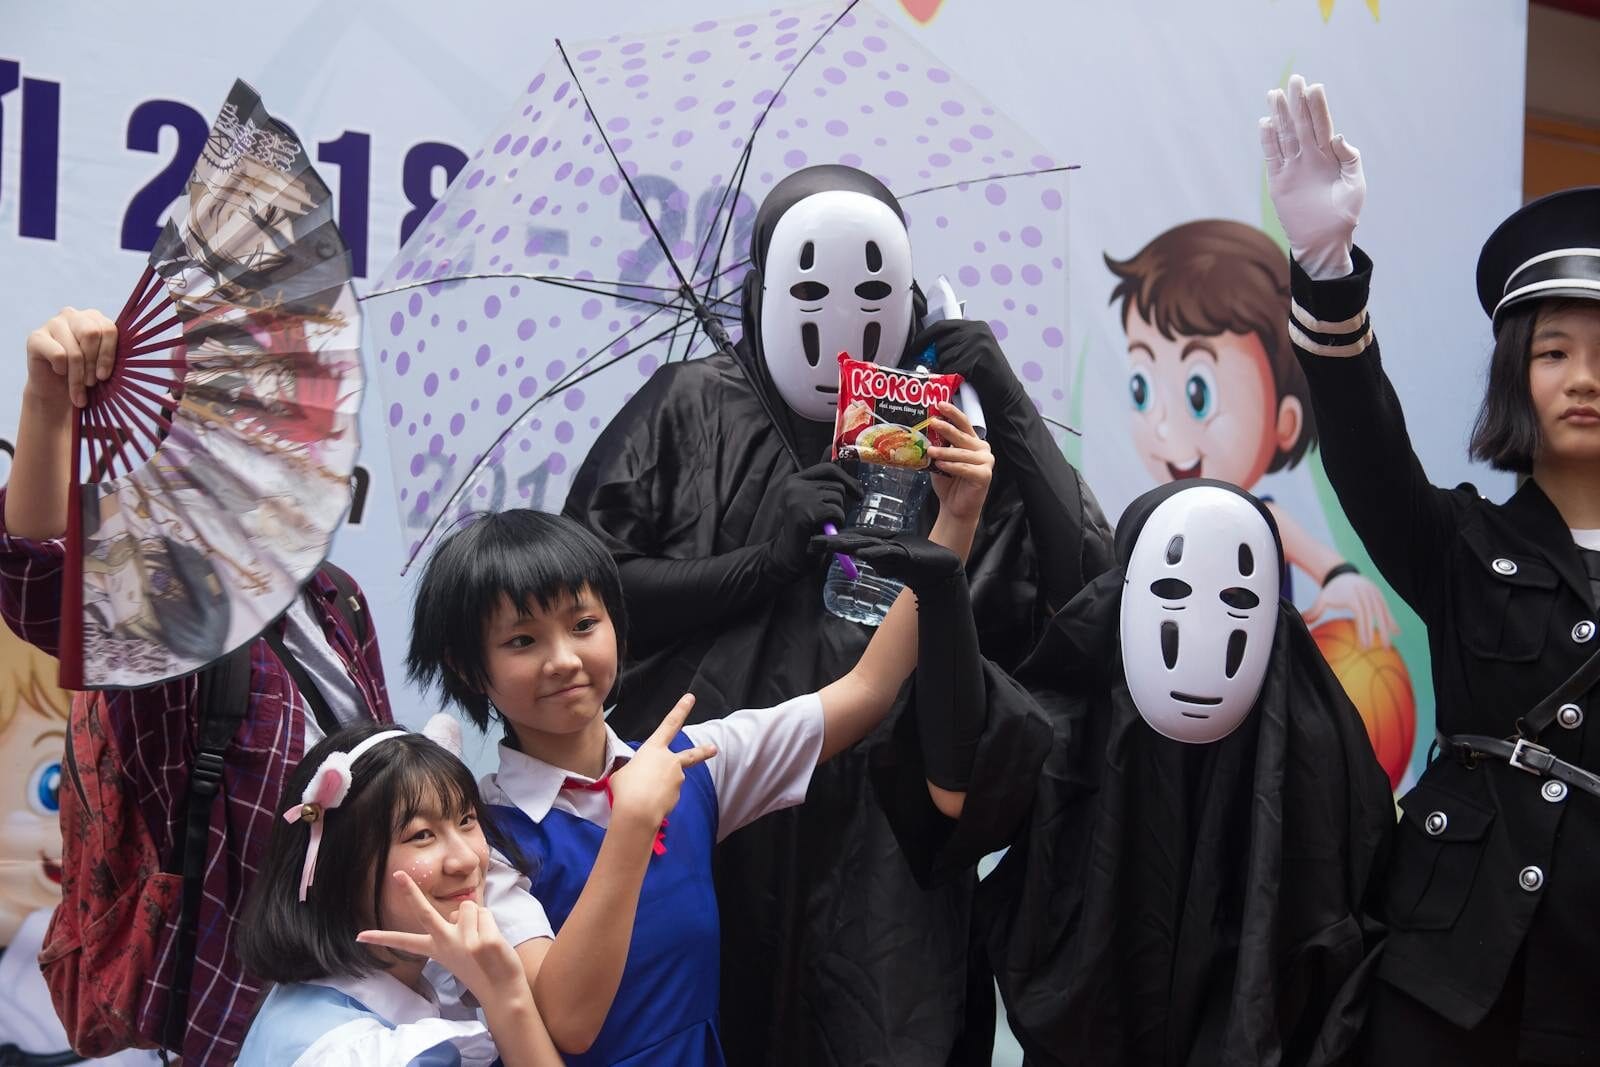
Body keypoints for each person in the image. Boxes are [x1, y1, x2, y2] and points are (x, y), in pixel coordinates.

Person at [563, 163, 1111, 1065]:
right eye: (809, 288)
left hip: (884, 864)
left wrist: (1007, 409)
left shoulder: (944, 441)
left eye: (870, 289)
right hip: (712, 819)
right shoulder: (688, 406)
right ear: (760, 292)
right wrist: (758, 564)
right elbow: (588, 605)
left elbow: (1086, 598)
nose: (840, 317)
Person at [0, 307, 544, 1064]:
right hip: (219, 1001)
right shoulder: (174, 603)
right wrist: (46, 403)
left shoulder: (338, 598)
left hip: (353, 988)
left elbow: (369, 795)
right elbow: (38, 578)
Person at [409, 400, 993, 1065]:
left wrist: (956, 520)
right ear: (468, 667)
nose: (564, 659)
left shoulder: (693, 763)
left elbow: (867, 689)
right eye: (522, 640)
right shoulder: (485, 838)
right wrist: (631, 824)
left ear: (616, 624)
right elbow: (566, 1021)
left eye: (582, 623)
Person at [1262, 73, 1600, 1063]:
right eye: (1552, 353)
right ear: (1513, 379)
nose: (1583, 376)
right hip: (1443, 977)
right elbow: (1365, 448)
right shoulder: (1461, 543)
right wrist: (1324, 267)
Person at [872, 479, 1394, 1066]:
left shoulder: (1313, 746)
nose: (1203, 625)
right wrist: (943, 600)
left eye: (1237, 599)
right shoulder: (1077, 718)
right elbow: (962, 789)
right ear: (1125, 594)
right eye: (1172, 589)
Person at [1106, 219, 1397, 643]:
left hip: (1262, 691)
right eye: (1142, 388)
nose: (1166, 428)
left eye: (1198, 393)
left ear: (1286, 421)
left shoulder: (1259, 521)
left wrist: (1339, 578)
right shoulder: (1149, 525)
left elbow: (1322, 563)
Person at [236, 720, 561, 1067]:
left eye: (466, 819)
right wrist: (505, 996)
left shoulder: (313, 1000)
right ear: (341, 866)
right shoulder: (370, 1054)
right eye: (421, 835)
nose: (466, 859)